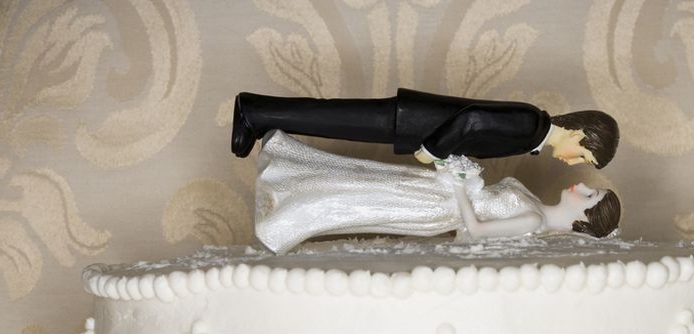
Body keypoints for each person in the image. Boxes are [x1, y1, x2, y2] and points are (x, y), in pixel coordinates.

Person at [254, 131, 620, 254]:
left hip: (436, 206)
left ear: (583, 218)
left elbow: (475, 230)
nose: (582, 186)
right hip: (437, 191)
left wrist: (460, 185)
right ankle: (286, 172)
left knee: (362, 200)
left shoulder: (533, 220)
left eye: (590, 196)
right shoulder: (535, 206)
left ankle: (282, 217)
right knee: (363, 178)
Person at [232, 88, 618, 169]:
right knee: (331, 117)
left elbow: (475, 136)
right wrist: (434, 150)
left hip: (414, 124)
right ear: (579, 135)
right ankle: (252, 110)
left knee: (332, 121)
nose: (573, 163)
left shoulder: (532, 135)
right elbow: (473, 120)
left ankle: (261, 117)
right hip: (414, 121)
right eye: (583, 157)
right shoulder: (531, 123)